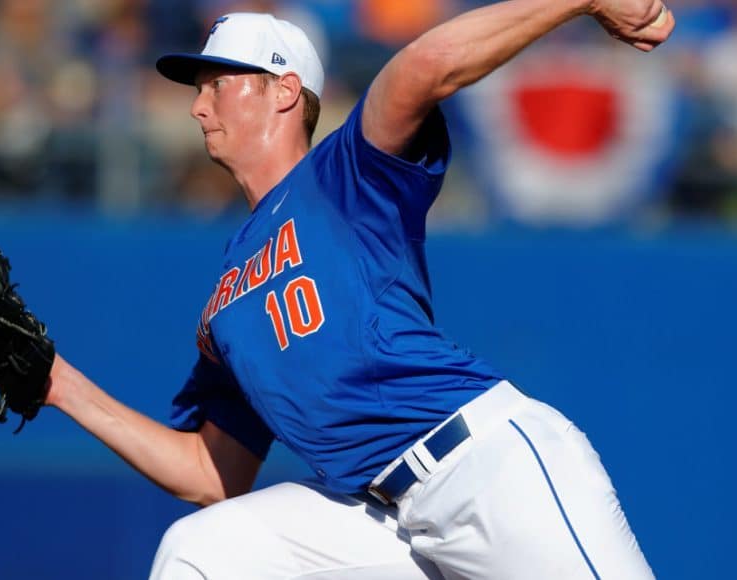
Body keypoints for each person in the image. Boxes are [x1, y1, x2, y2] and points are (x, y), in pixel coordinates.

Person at [44, 1, 675, 578]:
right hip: (382, 520)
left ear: (284, 90)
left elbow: (427, 64)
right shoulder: (228, 294)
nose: (197, 105)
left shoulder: (348, 173)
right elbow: (212, 473)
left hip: (480, 469)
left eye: (217, 84)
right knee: (198, 550)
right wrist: (59, 385)